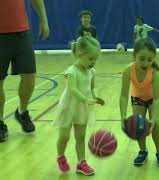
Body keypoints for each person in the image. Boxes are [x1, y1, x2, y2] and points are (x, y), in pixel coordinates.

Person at [53, 35, 105, 175]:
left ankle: (81, 163)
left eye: (95, 59)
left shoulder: (92, 72)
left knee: (80, 137)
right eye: (90, 59)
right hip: (69, 106)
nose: (93, 62)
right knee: (64, 137)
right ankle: (60, 156)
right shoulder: (71, 71)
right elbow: (73, 89)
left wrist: (96, 97)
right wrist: (85, 99)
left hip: (82, 108)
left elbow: (92, 88)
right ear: (79, 54)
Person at [0, 0, 50, 142]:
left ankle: (22, 112)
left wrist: (44, 21)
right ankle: (0, 123)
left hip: (22, 34)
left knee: (29, 77)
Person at [119, 38, 159, 167]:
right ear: (134, 56)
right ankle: (142, 151)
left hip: (154, 98)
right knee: (138, 123)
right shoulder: (127, 71)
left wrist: (154, 118)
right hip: (138, 98)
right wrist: (123, 116)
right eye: (141, 58)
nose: (145, 62)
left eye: (149, 59)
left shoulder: (155, 73)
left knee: (155, 124)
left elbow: (157, 99)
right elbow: (124, 96)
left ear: (154, 59)